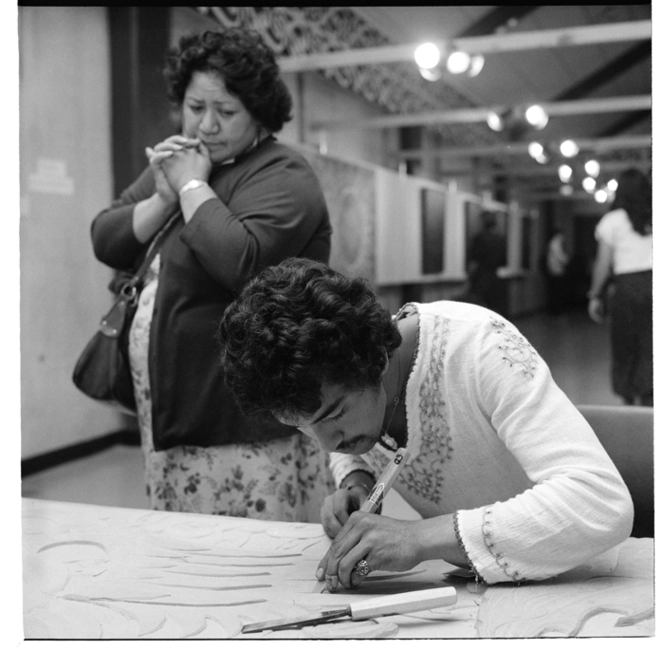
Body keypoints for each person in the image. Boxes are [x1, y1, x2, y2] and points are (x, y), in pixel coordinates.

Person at [218, 258, 633, 589]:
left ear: (375, 360)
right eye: (304, 428)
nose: (327, 444)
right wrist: (356, 479)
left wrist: (418, 539)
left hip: (579, 580)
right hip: (479, 589)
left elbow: (601, 503)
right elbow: (343, 436)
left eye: (333, 416)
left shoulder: (480, 348)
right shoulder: (333, 385)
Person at [90, 29, 335, 520]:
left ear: (259, 114)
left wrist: (192, 185)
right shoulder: (182, 160)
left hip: (243, 412)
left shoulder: (284, 173)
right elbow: (107, 236)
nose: (206, 125)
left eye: (226, 112)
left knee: (253, 549)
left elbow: (241, 263)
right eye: (195, 107)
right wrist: (163, 195)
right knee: (185, 542)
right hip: (173, 405)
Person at [587, 168, 653, 406]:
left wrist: (594, 295)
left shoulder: (612, 220)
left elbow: (603, 263)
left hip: (627, 288)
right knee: (652, 343)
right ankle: (650, 394)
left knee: (625, 342)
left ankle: (628, 394)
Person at [466, 211, 507, 314]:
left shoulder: (480, 238)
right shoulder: (501, 239)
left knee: (479, 308)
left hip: (481, 277)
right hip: (495, 277)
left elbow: (474, 260)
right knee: (493, 309)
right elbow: (504, 261)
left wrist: (470, 276)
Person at [545, 228, 570, 315]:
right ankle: (556, 311)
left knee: (556, 291)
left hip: (555, 270)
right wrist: (567, 260)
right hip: (556, 271)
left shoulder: (554, 243)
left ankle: (555, 310)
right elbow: (560, 256)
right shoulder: (555, 243)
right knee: (556, 291)